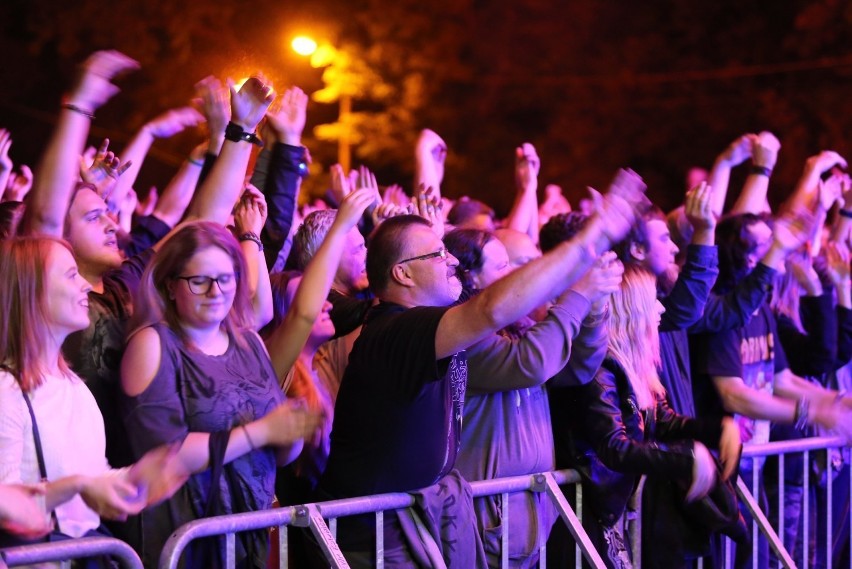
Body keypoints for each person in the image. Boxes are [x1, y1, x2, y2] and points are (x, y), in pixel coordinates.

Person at [312, 169, 646, 567]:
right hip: (376, 540)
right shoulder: (398, 329)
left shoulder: (416, 324)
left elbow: (569, 364)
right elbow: (493, 312)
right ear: (402, 273)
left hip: (408, 525)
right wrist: (587, 248)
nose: (451, 259)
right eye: (437, 254)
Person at [120, 187, 374, 568]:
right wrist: (262, 432)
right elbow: (162, 456)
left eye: (225, 278)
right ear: (170, 285)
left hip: (249, 539)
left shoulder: (248, 343)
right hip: (184, 544)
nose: (216, 291)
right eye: (199, 280)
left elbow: (278, 451)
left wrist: (293, 432)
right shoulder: (153, 345)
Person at [0, 236, 186, 557]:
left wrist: (132, 479)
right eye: (71, 275)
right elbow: (7, 502)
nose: (86, 286)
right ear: (31, 290)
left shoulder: (74, 386)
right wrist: (78, 486)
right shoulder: (7, 390)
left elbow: (92, 477)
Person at [445, 228, 618, 568]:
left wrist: (594, 309)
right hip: (484, 520)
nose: (517, 277)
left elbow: (577, 369)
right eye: (503, 266)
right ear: (471, 277)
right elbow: (531, 363)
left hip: (524, 518)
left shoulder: (518, 326)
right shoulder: (462, 338)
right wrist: (579, 294)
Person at [559, 265, 742, 569]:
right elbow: (613, 445)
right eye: (652, 299)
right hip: (587, 509)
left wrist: (718, 428)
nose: (660, 307)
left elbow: (663, 421)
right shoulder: (599, 369)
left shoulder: (632, 365)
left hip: (611, 506)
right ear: (629, 311)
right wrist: (686, 460)